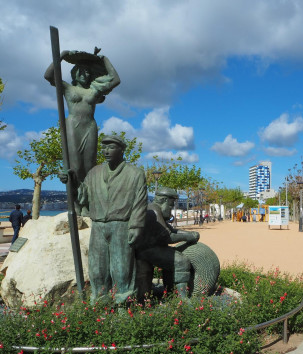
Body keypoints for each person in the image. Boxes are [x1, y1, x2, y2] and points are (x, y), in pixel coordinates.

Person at [59, 135, 147, 304]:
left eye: (111, 147)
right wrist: (72, 182)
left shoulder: (135, 174)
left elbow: (140, 202)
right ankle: (99, 301)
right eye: (104, 148)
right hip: (98, 226)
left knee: (121, 268)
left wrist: (136, 226)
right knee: (97, 268)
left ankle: (123, 302)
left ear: (122, 150)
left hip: (121, 225)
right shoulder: (95, 173)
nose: (106, 151)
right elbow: (83, 196)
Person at [45, 48, 121, 212]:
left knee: (90, 168)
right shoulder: (67, 88)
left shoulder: (94, 90)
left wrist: (104, 58)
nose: (85, 75)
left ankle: (87, 204)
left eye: (88, 72)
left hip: (90, 127)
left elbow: (115, 80)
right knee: (75, 166)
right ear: (74, 74)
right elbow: (49, 75)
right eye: (81, 71)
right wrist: (62, 56)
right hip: (73, 126)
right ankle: (76, 204)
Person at [136, 187, 200, 299]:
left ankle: (169, 291)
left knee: (170, 261)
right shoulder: (154, 210)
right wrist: (188, 236)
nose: (171, 208)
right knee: (181, 261)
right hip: (147, 250)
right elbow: (168, 236)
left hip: (148, 249)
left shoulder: (154, 209)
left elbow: (171, 230)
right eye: (171, 204)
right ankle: (183, 299)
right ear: (164, 200)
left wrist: (190, 233)